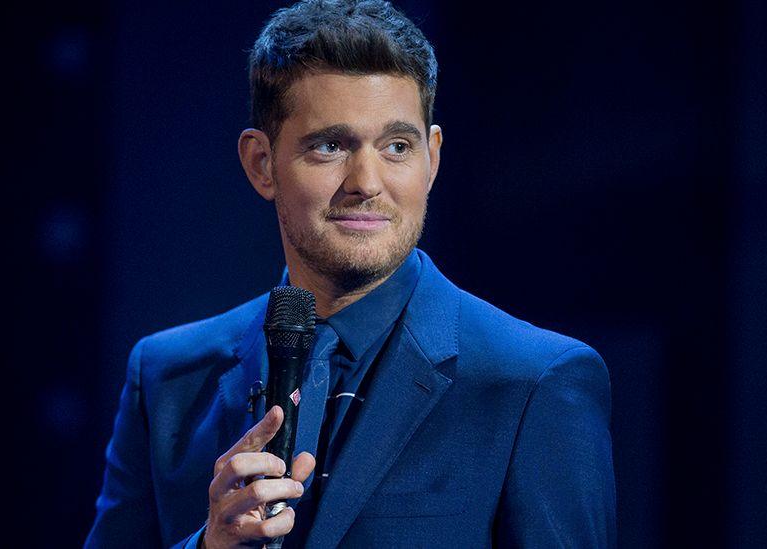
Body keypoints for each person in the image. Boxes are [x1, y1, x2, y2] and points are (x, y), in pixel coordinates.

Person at [85, 1, 616, 547]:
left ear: (432, 158)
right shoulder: (168, 377)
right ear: (261, 164)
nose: (366, 181)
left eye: (396, 147)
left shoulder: (532, 382)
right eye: (330, 146)